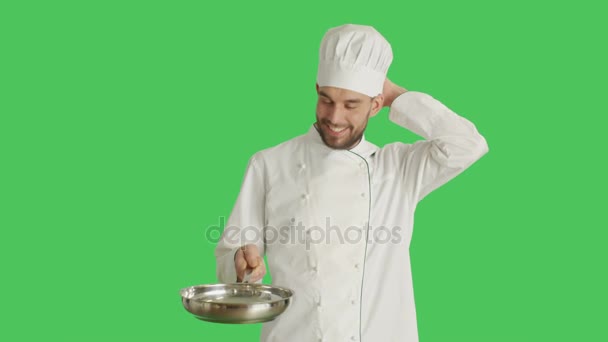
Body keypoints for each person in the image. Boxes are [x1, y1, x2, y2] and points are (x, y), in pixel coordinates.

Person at [215, 24, 488, 342]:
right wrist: (241, 264)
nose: (334, 117)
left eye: (351, 105)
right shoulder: (270, 163)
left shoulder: (397, 167)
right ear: (316, 89)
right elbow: (234, 249)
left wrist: (397, 97)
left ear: (376, 104)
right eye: (326, 100)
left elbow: (468, 145)